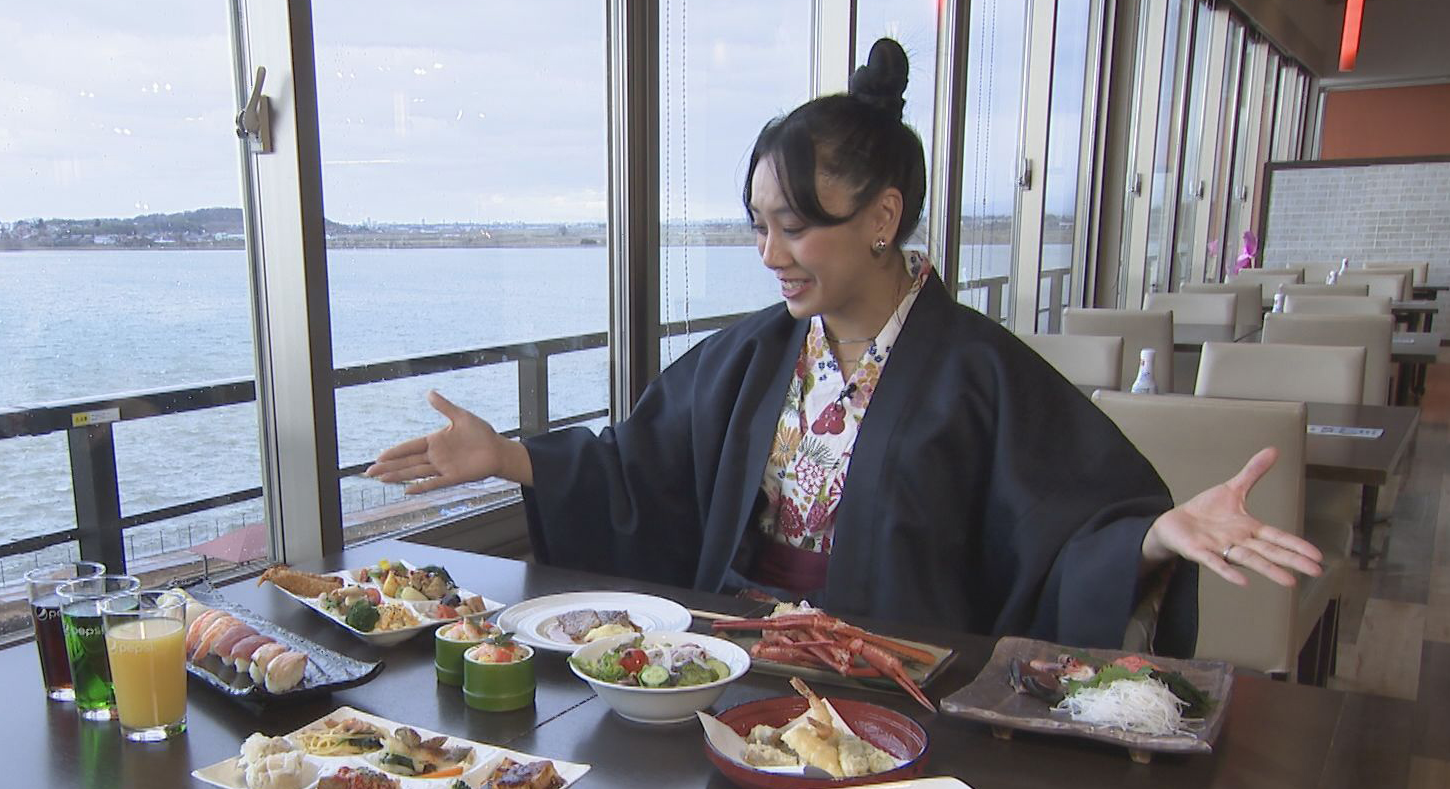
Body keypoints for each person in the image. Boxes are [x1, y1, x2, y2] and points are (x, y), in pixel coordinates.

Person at [367, 39, 1322, 655]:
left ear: (882, 218)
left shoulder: (979, 373)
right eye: (759, 226)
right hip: (730, 663)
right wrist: (510, 457)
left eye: (794, 227)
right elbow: (639, 469)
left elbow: (1062, 535)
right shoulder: (753, 358)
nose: (769, 255)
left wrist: (1152, 539)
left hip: (898, 686)